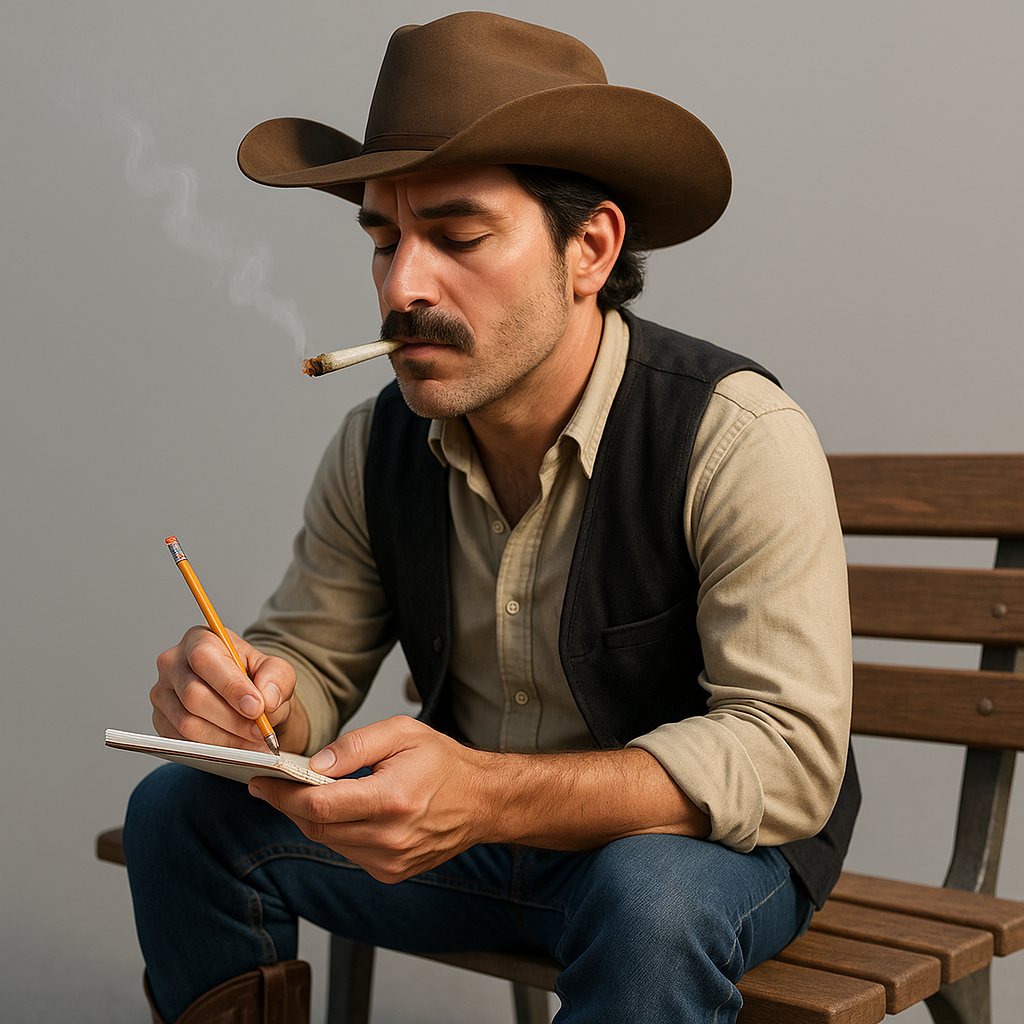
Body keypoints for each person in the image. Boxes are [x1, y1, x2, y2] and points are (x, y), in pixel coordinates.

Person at [122, 12, 859, 1024]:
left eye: (458, 236)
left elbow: (789, 754)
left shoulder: (735, 435)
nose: (402, 285)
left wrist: (491, 792)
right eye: (384, 239)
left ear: (589, 248)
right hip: (470, 845)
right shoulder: (375, 444)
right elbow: (312, 664)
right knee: (181, 811)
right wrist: (253, 705)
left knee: (647, 901)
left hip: (683, 857)